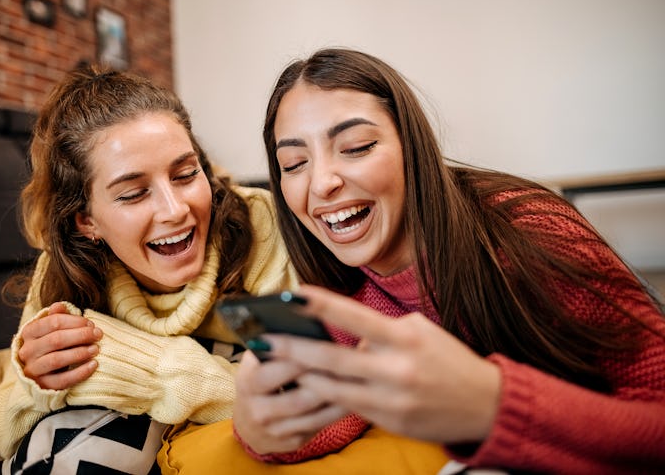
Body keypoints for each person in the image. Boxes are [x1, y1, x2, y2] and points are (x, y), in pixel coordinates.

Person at [231, 48, 665, 474]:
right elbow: (340, 416)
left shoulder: (527, 231)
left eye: (357, 147)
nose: (322, 182)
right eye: (295, 163)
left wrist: (492, 405)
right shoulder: (345, 294)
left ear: (411, 146)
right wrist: (261, 430)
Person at [0, 64, 298, 473]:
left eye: (186, 174)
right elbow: (1, 427)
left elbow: (303, 398)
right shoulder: (64, 274)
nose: (175, 209)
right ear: (86, 220)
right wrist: (33, 381)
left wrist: (145, 366)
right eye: (133, 193)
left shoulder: (260, 229)